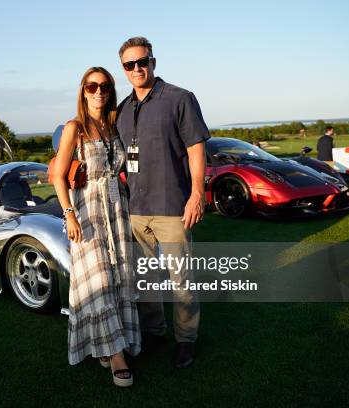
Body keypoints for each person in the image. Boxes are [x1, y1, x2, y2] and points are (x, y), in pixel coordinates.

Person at [116, 36, 210, 369]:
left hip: (173, 206)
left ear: (153, 62)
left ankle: (186, 341)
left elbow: (196, 148)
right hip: (136, 210)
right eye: (130, 65)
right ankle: (155, 333)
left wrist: (197, 194)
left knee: (181, 281)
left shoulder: (179, 99)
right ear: (124, 70)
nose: (137, 68)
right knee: (145, 279)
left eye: (143, 62)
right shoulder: (123, 110)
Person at [50, 66, 141, 387]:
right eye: (91, 86)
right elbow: (58, 176)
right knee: (99, 278)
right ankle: (117, 356)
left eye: (104, 86)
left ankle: (109, 345)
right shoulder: (75, 128)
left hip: (117, 207)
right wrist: (69, 214)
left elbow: (130, 165)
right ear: (83, 90)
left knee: (120, 274)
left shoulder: (116, 126)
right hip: (86, 210)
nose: (98, 91)